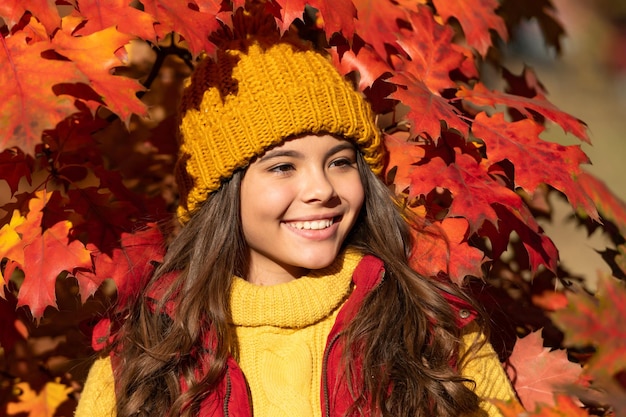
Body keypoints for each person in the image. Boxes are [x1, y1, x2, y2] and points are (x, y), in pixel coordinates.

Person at [75, 31, 518, 417]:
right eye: (283, 167)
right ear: (221, 190)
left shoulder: (430, 330)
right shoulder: (145, 353)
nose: (322, 189)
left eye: (341, 162)